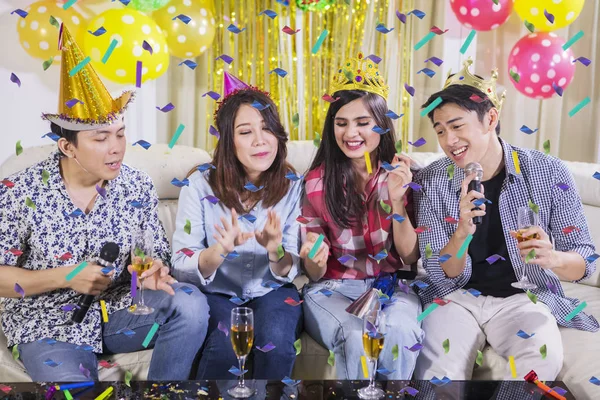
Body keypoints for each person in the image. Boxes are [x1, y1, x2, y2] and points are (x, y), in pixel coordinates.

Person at [0, 26, 208, 382]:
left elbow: (153, 258)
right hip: (48, 323)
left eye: (121, 133)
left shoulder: (136, 185)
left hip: (119, 313)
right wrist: (66, 276)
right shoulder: (20, 190)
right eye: (101, 138)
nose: (116, 147)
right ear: (68, 147)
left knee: (189, 303)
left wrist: (150, 272)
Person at [413, 58, 598, 381]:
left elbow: (586, 260)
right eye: (440, 131)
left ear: (491, 119)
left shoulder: (548, 172)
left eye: (457, 126)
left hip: (523, 298)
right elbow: (442, 274)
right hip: (454, 299)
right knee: (439, 372)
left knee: (541, 362)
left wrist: (552, 257)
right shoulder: (431, 181)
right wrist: (461, 234)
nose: (448, 141)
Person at [171, 72, 303, 380]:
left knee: (277, 345)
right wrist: (218, 251)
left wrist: (275, 249)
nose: (260, 140)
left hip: (273, 291)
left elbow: (291, 263)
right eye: (246, 132)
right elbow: (180, 262)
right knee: (225, 348)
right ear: (228, 141)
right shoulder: (198, 185)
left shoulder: (293, 184)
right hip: (218, 294)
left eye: (268, 128)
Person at [300, 53, 424, 380]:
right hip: (334, 287)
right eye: (341, 123)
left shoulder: (403, 175)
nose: (351, 133)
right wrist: (314, 255)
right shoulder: (315, 182)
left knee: (399, 334)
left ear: (381, 125)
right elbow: (315, 273)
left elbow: (410, 255)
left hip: (394, 287)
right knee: (356, 335)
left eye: (362, 123)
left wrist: (398, 203)